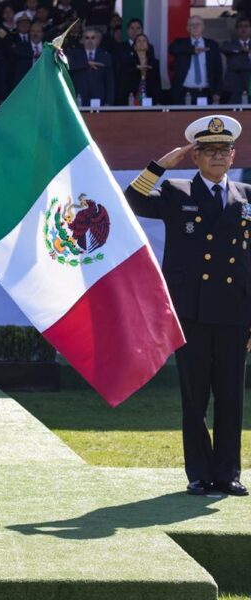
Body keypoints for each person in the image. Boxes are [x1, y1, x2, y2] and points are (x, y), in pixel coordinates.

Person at [124, 115, 250, 497]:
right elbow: (131, 201)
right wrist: (162, 164)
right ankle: (198, 472)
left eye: (224, 150)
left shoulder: (246, 195)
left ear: (233, 155)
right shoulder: (176, 191)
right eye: (209, 150)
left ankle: (228, 473)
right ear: (195, 156)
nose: (218, 157)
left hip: (234, 312)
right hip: (189, 312)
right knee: (195, 396)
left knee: (231, 396)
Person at [169, 15, 222, 105]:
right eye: (192, 24)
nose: (195, 26)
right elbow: (172, 49)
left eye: (198, 24)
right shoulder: (180, 43)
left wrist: (217, 92)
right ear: (187, 28)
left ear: (203, 27)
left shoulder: (212, 45)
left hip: (206, 92)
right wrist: (192, 50)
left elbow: (218, 70)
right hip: (184, 92)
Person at [67, 27, 114, 106]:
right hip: (79, 97)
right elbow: (69, 66)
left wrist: (109, 101)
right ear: (82, 40)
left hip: (99, 97)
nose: (90, 41)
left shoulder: (105, 56)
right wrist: (87, 64)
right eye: (87, 38)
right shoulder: (75, 54)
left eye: (93, 38)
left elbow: (109, 81)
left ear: (97, 40)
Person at [119, 33, 160, 105]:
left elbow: (157, 83)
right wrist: (136, 67)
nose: (141, 43)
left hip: (150, 96)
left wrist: (158, 101)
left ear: (148, 46)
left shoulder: (154, 63)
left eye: (144, 41)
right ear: (134, 47)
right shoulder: (128, 62)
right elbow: (124, 78)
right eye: (139, 41)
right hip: (132, 97)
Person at [220, 17, 251, 104]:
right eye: (240, 26)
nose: (243, 28)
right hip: (234, 88)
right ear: (236, 30)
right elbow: (232, 64)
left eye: (246, 26)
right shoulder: (229, 44)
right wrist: (242, 50)